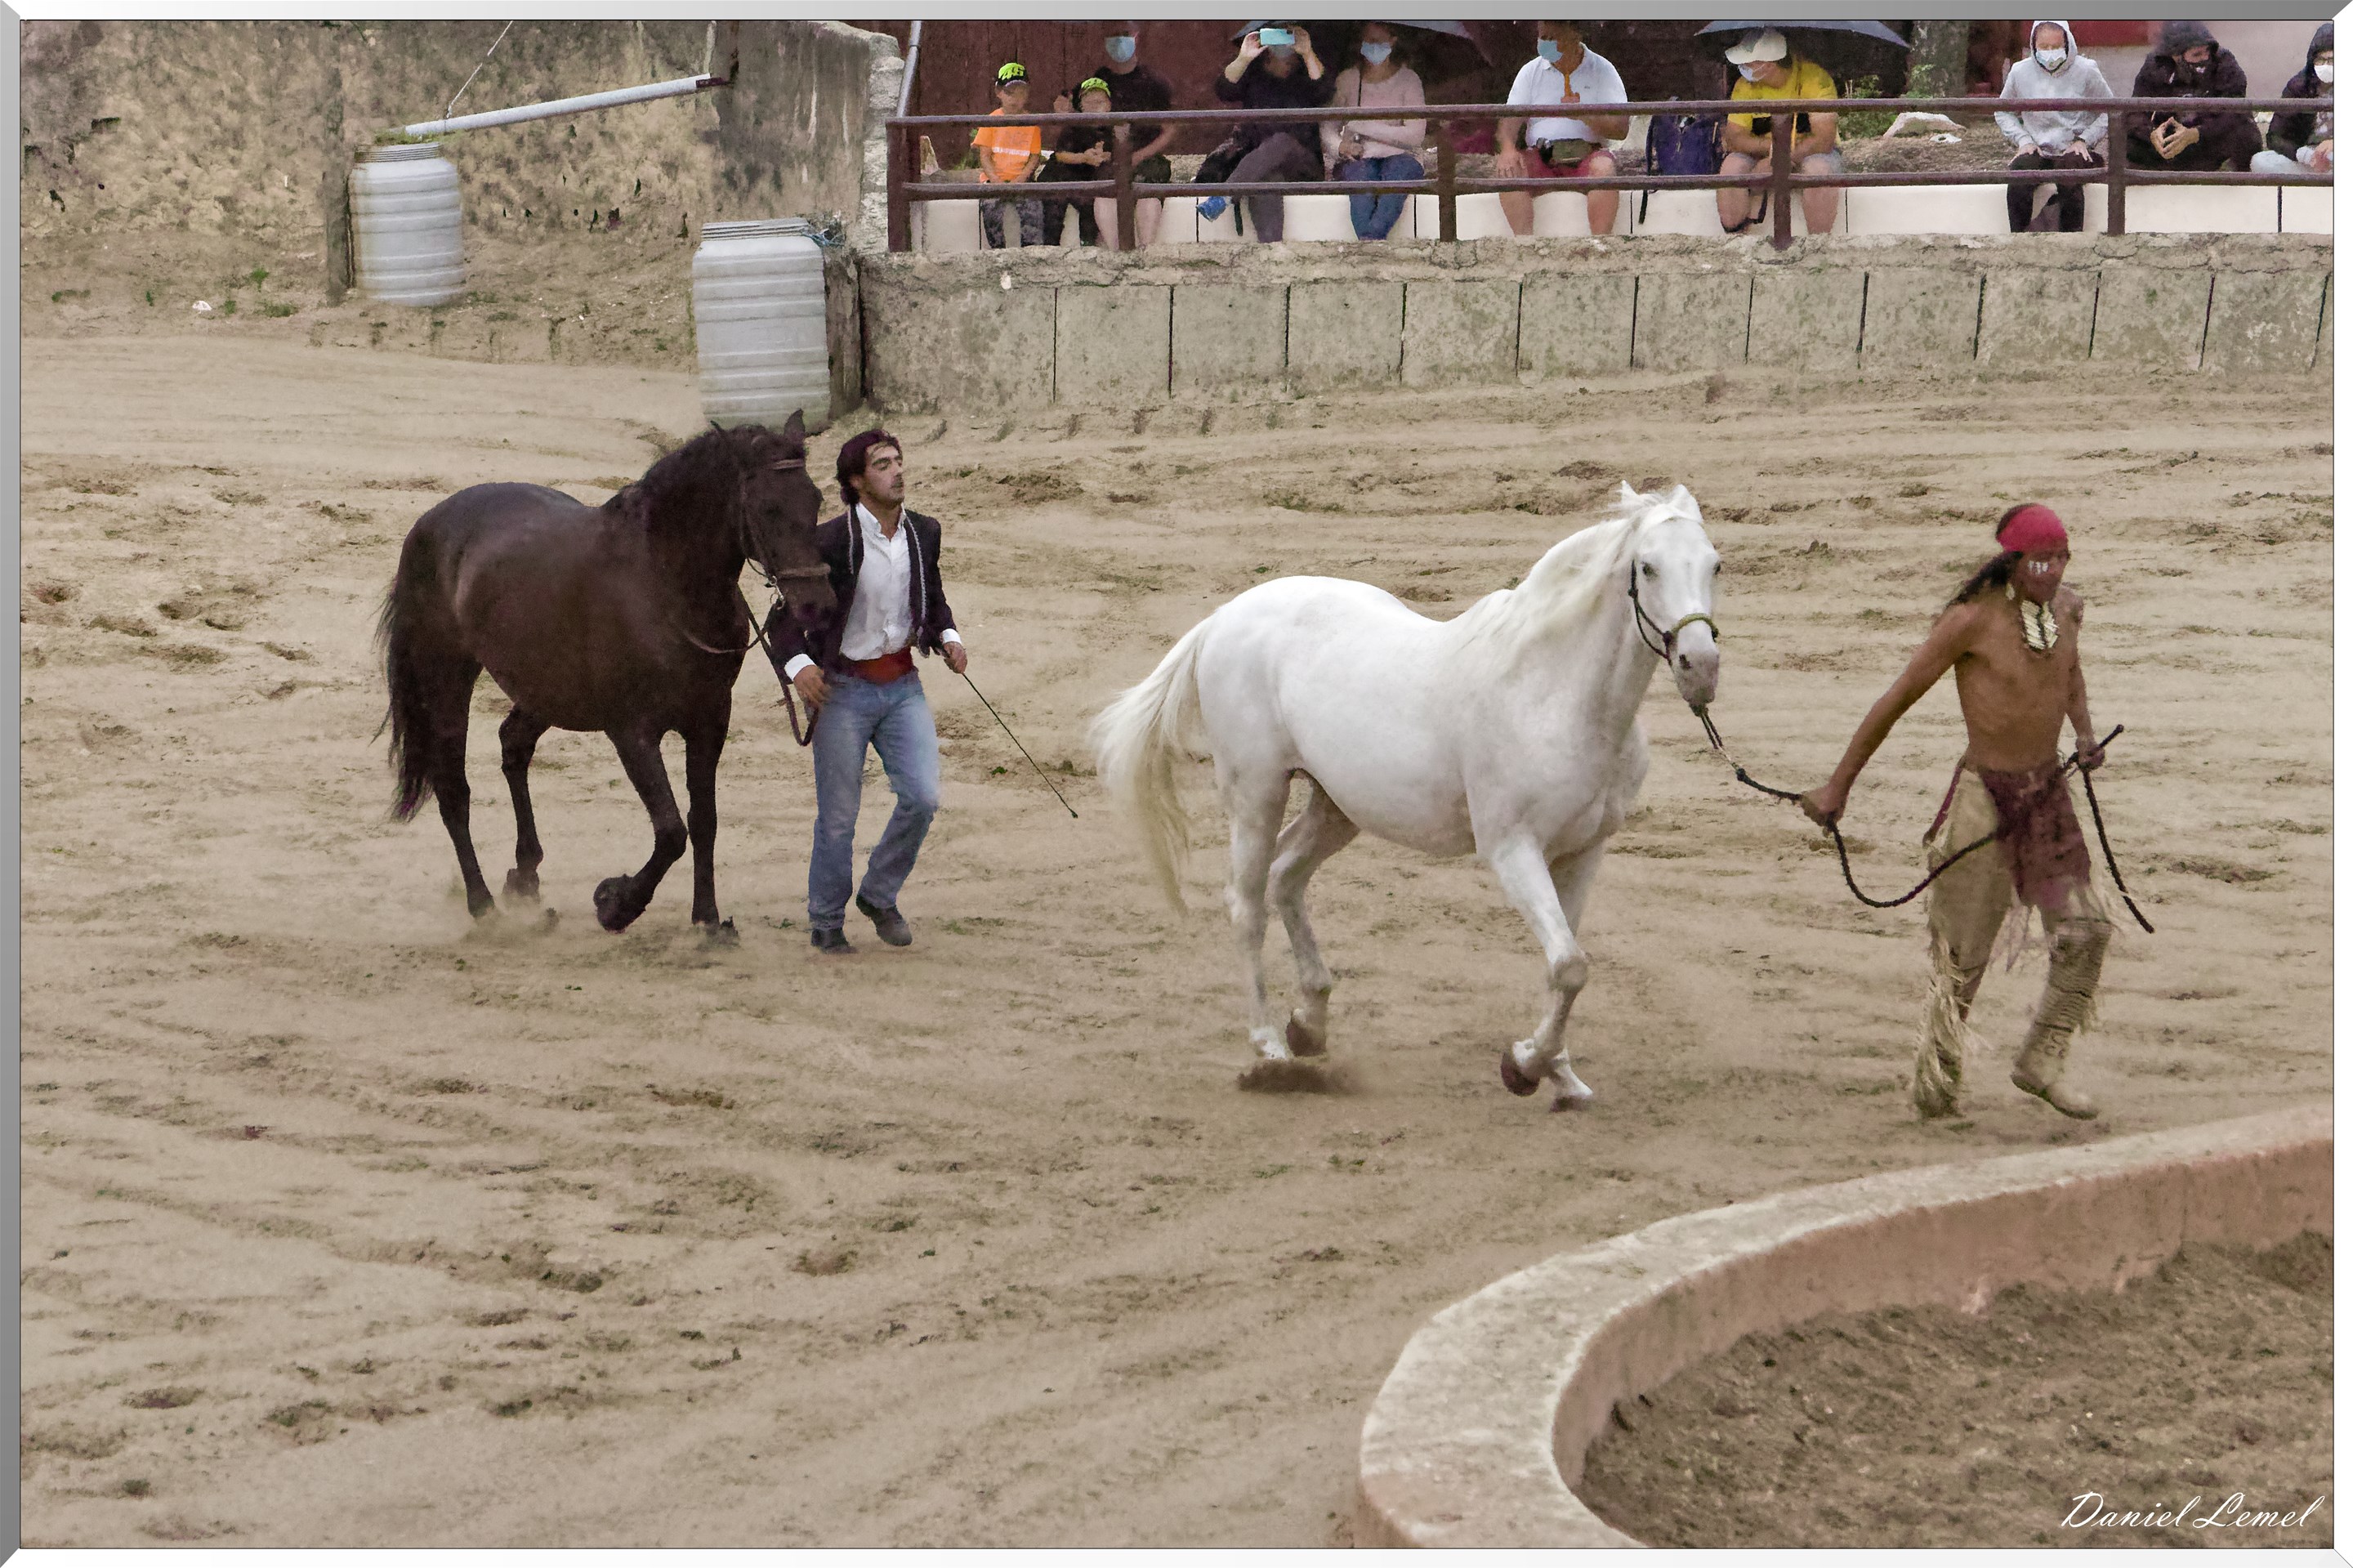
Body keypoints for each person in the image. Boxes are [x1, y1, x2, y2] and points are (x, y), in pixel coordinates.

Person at [1800, 505, 2113, 1124]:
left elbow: (2070, 674)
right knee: (1964, 954)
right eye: (2039, 561)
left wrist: (2083, 734)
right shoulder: (1970, 621)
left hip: (2046, 792)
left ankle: (2041, 1060)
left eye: (2060, 559)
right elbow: (1897, 699)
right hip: (1982, 799)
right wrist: (1839, 785)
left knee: (2086, 931)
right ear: (2013, 561)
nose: (2051, 572)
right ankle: (1938, 1078)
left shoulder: (2068, 610)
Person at [763, 431, 967, 955]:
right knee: (838, 816)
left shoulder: (923, 532)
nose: (897, 471)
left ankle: (878, 895)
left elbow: (932, 593)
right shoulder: (831, 541)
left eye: (898, 461)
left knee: (922, 797)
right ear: (857, 481)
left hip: (902, 687)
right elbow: (781, 621)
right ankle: (826, 919)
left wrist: (947, 636)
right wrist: (800, 667)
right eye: (882, 464)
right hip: (843, 692)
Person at [1499, 20, 1631, 238]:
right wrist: (1507, 149)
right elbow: (1509, 122)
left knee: (1604, 169)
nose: (1544, 44)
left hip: (1588, 153)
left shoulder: (1603, 70)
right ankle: (1524, 245)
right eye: (1542, 37)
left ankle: (1601, 244)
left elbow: (1620, 129)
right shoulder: (1530, 72)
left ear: (1575, 36)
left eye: (1552, 38)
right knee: (1509, 171)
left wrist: (1585, 115)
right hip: (1542, 155)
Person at [1051, 21, 1176, 247]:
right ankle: (1116, 256)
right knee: (1105, 193)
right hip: (1110, 160)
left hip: (1146, 159)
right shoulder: (1098, 80)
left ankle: (1146, 254)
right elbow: (1070, 108)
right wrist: (1065, 110)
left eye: (1124, 35)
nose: (1119, 41)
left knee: (1147, 192)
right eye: (1113, 36)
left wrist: (1139, 156)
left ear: (1136, 37)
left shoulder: (1154, 83)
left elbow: (1169, 130)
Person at [1209, 21, 1331, 242]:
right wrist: (1244, 57)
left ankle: (1226, 194)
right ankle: (1271, 251)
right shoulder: (1253, 70)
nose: (1281, 39)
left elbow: (1324, 92)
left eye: (1287, 32)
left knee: (1282, 142)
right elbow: (1224, 89)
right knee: (1267, 178)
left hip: (1303, 164)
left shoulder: (1308, 69)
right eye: (1275, 33)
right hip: (1257, 163)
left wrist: (1307, 52)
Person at [1714, 28, 1842, 236]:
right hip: (1762, 153)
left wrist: (1782, 159)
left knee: (1819, 170)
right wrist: (1771, 150)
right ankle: (1735, 238)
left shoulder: (1816, 79)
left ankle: (1818, 245)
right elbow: (1735, 137)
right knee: (1731, 166)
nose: (1743, 67)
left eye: (1749, 62)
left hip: (1810, 154)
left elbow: (1824, 140)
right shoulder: (1744, 86)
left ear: (1769, 64)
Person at [1994, 22, 2110, 233]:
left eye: (2055, 46)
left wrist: (2085, 140)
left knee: (2068, 177)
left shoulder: (2086, 70)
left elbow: (2110, 111)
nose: (2049, 53)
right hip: (2037, 148)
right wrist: (2023, 140)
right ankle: (2017, 241)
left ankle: (2070, 242)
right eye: (2043, 47)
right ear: (2033, 45)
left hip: (2074, 148)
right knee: (2019, 176)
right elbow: (2003, 111)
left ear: (2067, 44)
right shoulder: (2019, 72)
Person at [1323, 22, 1427, 239]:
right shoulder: (1348, 80)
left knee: (1397, 180)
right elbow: (1327, 125)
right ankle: (1370, 242)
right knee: (1360, 189)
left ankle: (1368, 241)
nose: (1373, 47)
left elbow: (1416, 134)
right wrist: (1340, 146)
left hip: (1401, 157)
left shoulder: (1409, 80)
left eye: (1378, 42)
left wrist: (1367, 127)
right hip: (1359, 158)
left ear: (1393, 41)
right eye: (1368, 41)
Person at [2123, 20, 2260, 173]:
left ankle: (2227, 174)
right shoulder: (2155, 66)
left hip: (2209, 135)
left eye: (2207, 52)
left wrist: (2197, 134)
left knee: (2246, 134)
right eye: (2197, 55)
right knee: (2128, 141)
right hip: (2173, 135)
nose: (2205, 58)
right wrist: (2151, 134)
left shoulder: (2224, 63)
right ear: (2176, 57)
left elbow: (2235, 113)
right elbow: (2135, 110)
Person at [1039, 78, 1118, 248]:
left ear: (1109, 105)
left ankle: (1088, 247)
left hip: (1087, 180)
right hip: (1061, 176)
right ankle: (1049, 249)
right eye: (1088, 101)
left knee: (1089, 203)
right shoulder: (1074, 126)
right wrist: (1084, 157)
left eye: (1100, 101)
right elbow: (1061, 155)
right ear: (1081, 106)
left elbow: (1115, 153)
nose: (1094, 106)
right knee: (1055, 204)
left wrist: (1105, 156)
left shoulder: (1112, 129)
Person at [974, 61, 1044, 249]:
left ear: (1028, 94)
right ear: (999, 93)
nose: (1015, 99)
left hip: (1022, 180)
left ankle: (1031, 252)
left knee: (1034, 209)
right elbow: (985, 156)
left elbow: (1034, 158)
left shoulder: (1032, 123)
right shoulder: (991, 120)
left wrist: (1020, 180)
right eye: (1010, 93)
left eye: (1021, 93)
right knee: (990, 209)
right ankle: (998, 252)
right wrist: (996, 181)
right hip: (994, 180)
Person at [2253, 22, 2333, 178]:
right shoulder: (2299, 86)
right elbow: (2275, 136)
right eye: (2320, 60)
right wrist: (2305, 155)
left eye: (2332, 60)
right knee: (2261, 161)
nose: (2326, 66)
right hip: (2310, 159)